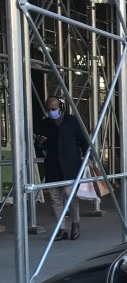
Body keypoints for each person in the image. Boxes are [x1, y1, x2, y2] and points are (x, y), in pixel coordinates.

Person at [34, 95, 89, 240]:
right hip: (53, 166)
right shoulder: (45, 124)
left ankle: (75, 224)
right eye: (49, 109)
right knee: (55, 199)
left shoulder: (71, 121)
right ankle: (61, 229)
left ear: (61, 108)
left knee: (70, 197)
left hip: (70, 166)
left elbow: (83, 140)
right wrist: (39, 142)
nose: (52, 111)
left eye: (54, 108)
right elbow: (39, 147)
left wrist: (87, 158)